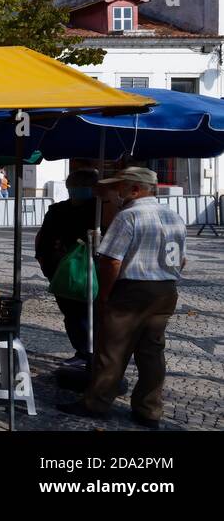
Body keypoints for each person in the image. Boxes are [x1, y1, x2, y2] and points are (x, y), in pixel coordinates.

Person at [58, 167, 186, 429]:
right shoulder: (174, 216)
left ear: (135, 190)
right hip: (165, 290)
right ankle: (149, 410)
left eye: (120, 187)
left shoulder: (129, 216)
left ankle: (96, 403)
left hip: (133, 290)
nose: (117, 193)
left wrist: (105, 294)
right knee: (152, 353)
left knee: (112, 350)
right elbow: (181, 259)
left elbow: (111, 261)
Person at [34, 169, 100, 364]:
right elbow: (43, 239)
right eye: (75, 186)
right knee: (77, 313)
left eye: (81, 186)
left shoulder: (97, 209)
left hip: (85, 270)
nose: (77, 190)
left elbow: (42, 240)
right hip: (69, 270)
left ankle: (88, 352)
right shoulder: (62, 210)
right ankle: (84, 351)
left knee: (83, 313)